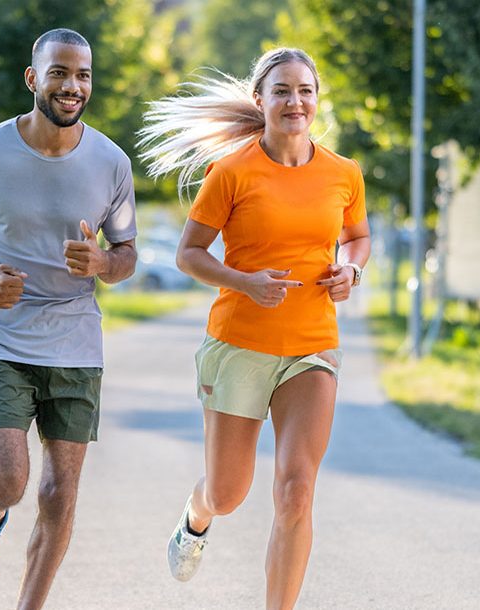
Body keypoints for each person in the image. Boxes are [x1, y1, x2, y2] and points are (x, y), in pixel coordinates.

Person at [137, 47, 371, 609]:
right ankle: (196, 517)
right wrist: (243, 281)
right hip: (239, 343)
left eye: (306, 91)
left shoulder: (344, 173)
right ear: (260, 100)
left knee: (296, 492)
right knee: (228, 492)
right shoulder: (232, 171)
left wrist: (352, 268)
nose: (296, 101)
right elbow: (189, 255)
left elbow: (357, 236)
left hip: (312, 348)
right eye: (283, 91)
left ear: (317, 99)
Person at [0, 27, 137, 610]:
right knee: (11, 481)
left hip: (75, 342)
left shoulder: (111, 162)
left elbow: (127, 256)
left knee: (60, 496)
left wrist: (103, 262)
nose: (73, 86)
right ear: (32, 78)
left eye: (83, 74)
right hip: (2, 338)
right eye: (60, 72)